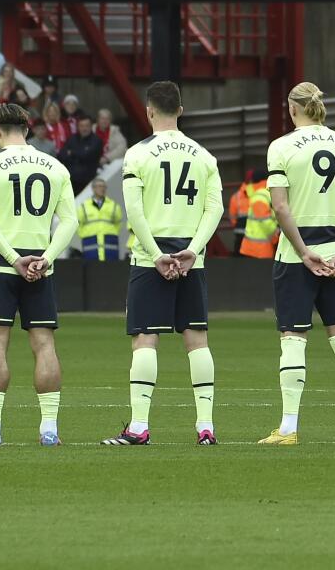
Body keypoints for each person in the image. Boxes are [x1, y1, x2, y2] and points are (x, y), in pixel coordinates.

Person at [102, 81, 223, 446]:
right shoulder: (204, 156)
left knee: (145, 340)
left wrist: (156, 255)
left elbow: (133, 211)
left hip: (149, 259)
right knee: (197, 341)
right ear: (181, 111)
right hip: (191, 259)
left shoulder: (138, 155)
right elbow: (214, 207)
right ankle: (206, 427)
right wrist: (194, 250)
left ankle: (139, 427)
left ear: (149, 110)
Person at [259, 82, 335, 446]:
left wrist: (304, 251)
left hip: (296, 255)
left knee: (293, 337)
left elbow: (280, 206)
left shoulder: (282, 147)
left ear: (292, 109)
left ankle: (288, 427)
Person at [0, 103, 77, 448]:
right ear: (27, 128)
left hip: (2, 266)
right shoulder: (55, 166)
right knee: (44, 345)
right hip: (41, 269)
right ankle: (49, 431)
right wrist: (45, 258)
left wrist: (13, 259)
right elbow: (70, 221)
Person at [76, 177, 124, 260]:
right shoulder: (84, 206)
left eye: (104, 186)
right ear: (93, 188)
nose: (102, 189)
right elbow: (77, 224)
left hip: (109, 244)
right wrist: (83, 234)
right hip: (90, 243)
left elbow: (119, 223)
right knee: (91, 270)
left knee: (111, 270)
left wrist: (113, 232)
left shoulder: (114, 205)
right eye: (99, 186)